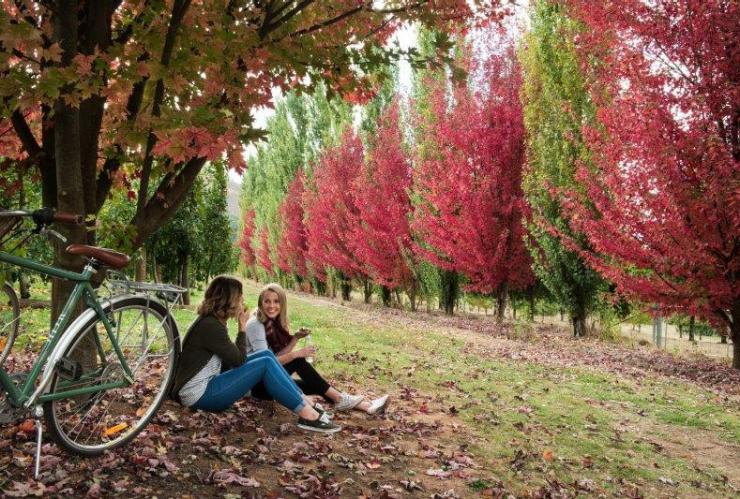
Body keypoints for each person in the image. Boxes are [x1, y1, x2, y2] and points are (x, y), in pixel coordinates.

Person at [170, 276, 340, 433]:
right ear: (228, 300)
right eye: (240, 297)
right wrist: (242, 328)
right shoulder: (211, 326)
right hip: (199, 395)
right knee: (265, 362)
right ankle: (308, 415)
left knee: (266, 354)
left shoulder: (212, 321)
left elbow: (232, 359)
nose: (243, 300)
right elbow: (238, 360)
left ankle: (304, 401)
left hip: (207, 386)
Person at [246, 282, 389, 415]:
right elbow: (264, 363)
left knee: (317, 385)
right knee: (299, 360)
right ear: (260, 303)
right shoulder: (256, 324)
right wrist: (297, 354)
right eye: (267, 301)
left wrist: (295, 338)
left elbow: (274, 359)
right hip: (257, 386)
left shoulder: (272, 323)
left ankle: (367, 406)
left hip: (268, 380)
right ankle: (342, 400)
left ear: (282, 303)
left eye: (276, 301)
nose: (272, 306)